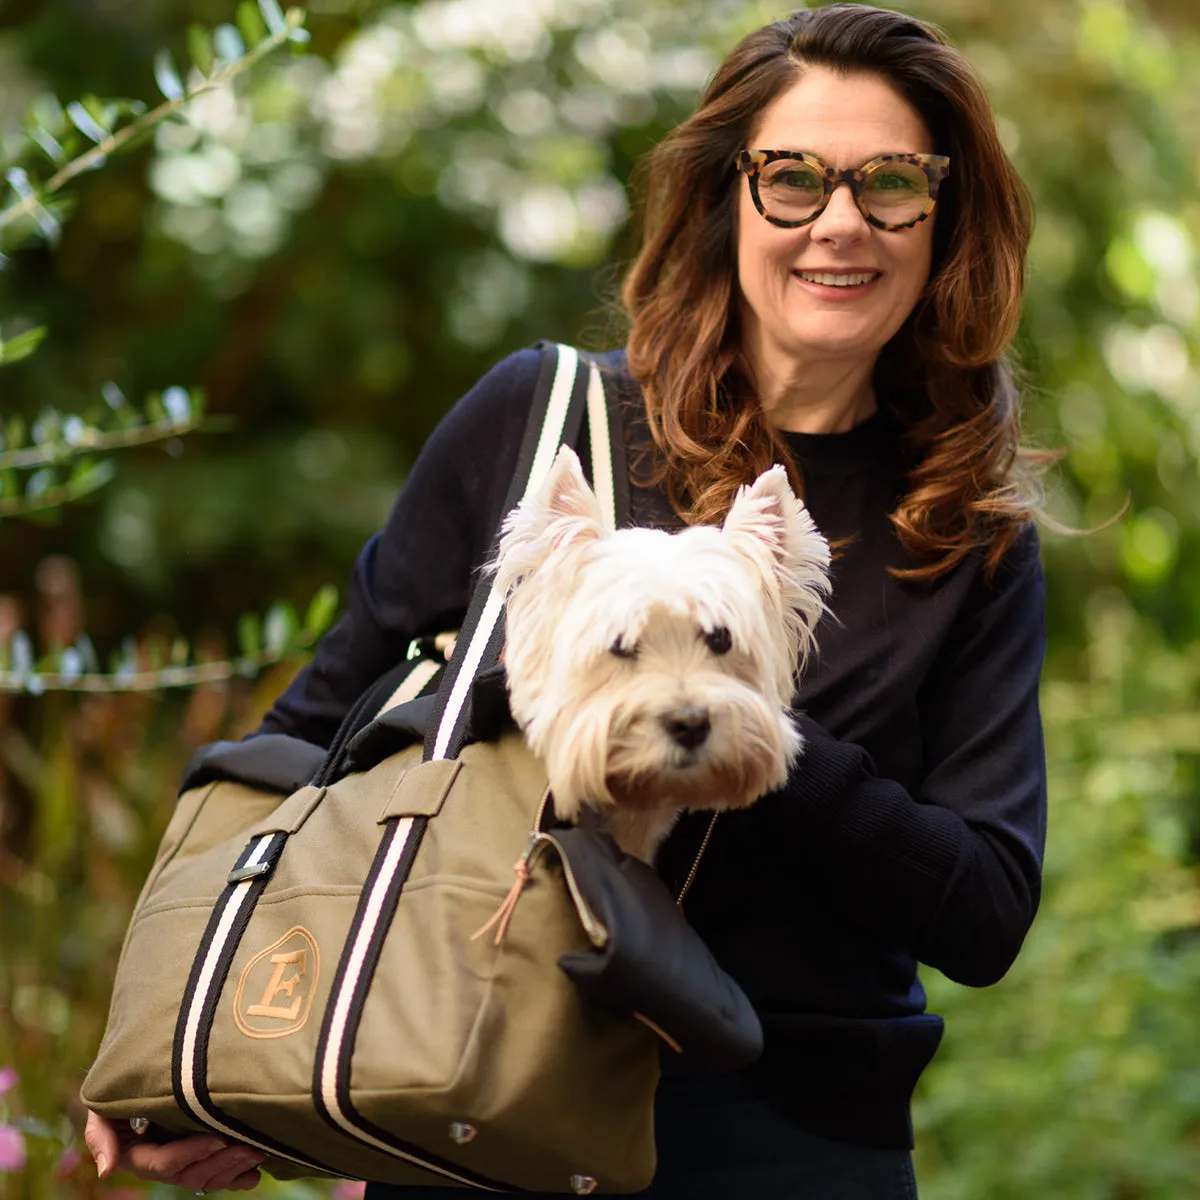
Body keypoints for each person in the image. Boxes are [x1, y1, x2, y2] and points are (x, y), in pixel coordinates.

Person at [85, 5, 1049, 1197]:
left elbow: (989, 912)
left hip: (791, 1135)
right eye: (791, 178)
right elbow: (311, 741)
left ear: (942, 217)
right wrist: (205, 1046)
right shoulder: (543, 423)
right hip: (482, 1086)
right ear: (723, 200)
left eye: (890, 181)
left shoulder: (961, 534)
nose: (839, 222)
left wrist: (760, 744)